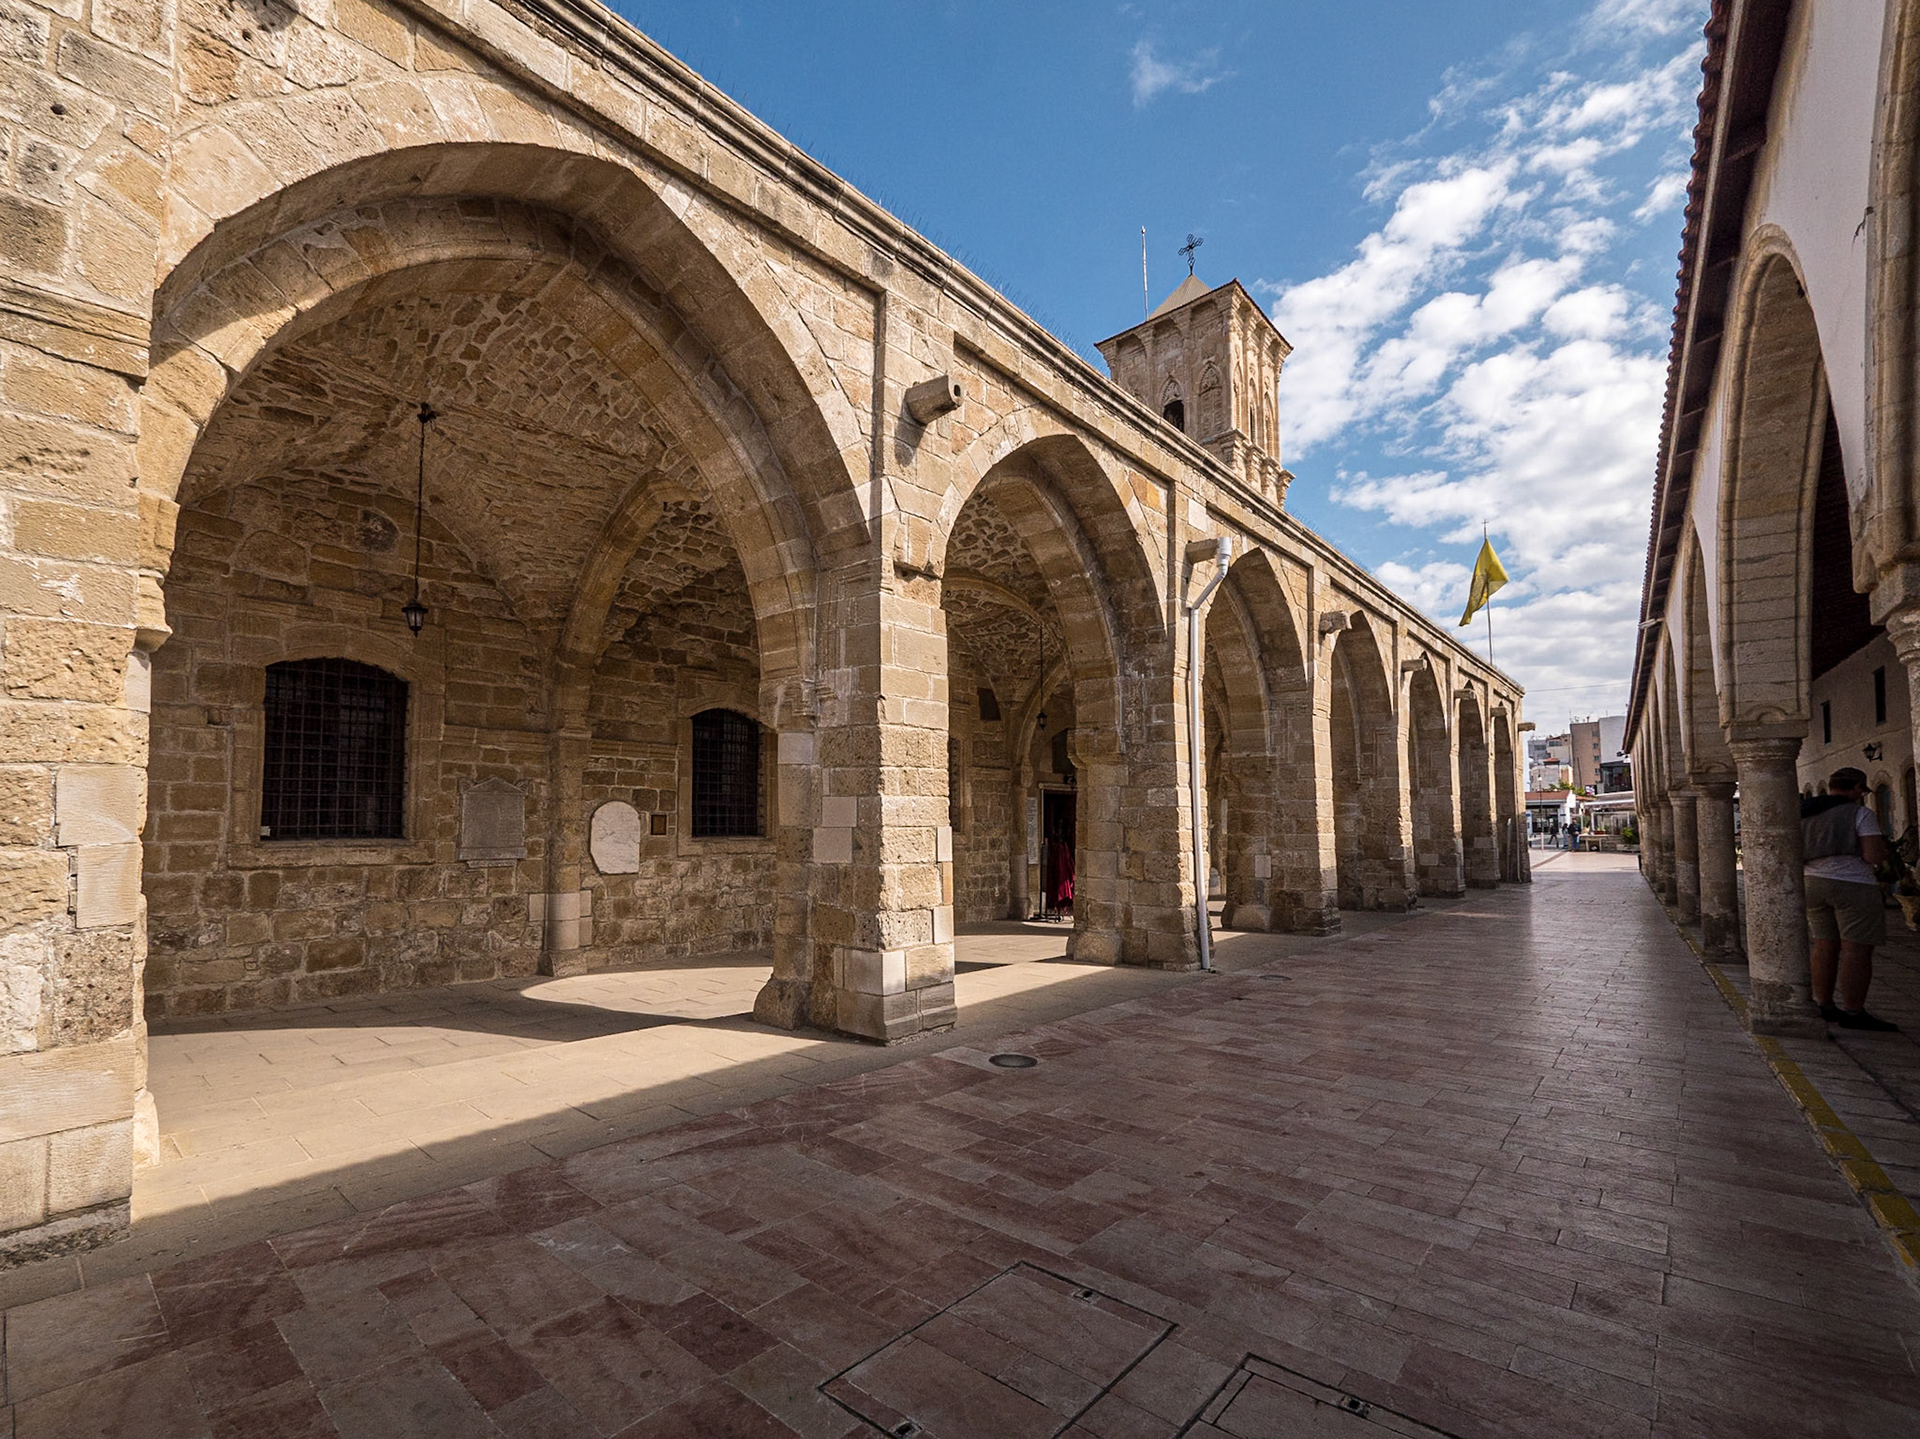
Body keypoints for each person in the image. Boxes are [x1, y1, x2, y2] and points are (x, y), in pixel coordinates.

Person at [1803, 767, 1899, 1031]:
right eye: (1861, 790)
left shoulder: (1808, 811)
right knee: (1856, 949)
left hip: (1811, 882)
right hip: (1852, 884)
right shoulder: (1860, 813)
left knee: (1824, 945)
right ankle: (1854, 1011)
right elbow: (1873, 856)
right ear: (1857, 787)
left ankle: (1824, 1004)